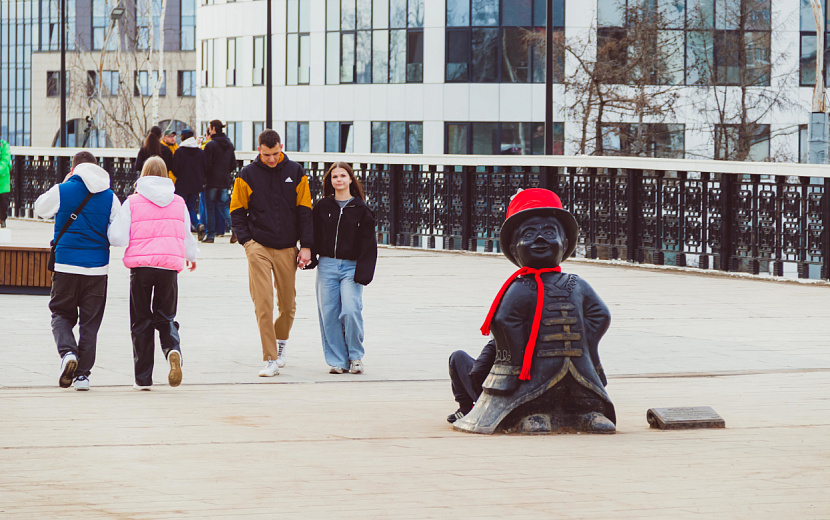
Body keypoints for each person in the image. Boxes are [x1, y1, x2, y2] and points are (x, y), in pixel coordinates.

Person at [108, 156, 199, 390]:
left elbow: (117, 237)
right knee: (165, 316)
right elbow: (186, 233)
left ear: (144, 174)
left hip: (141, 269)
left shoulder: (132, 201)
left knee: (140, 320)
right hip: (169, 268)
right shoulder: (178, 202)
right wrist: (191, 256)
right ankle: (172, 350)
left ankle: (143, 378)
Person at [34, 151, 121, 391]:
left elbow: (40, 208)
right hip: (97, 269)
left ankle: (68, 353)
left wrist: (63, 183)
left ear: (74, 168)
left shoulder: (63, 189)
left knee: (61, 314)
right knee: (90, 324)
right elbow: (119, 235)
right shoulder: (111, 196)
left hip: (66, 266)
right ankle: (83, 376)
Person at [230, 129, 312, 377]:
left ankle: (281, 342)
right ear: (259, 151)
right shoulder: (247, 174)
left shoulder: (296, 172)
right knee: (263, 303)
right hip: (259, 247)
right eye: (267, 155)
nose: (272, 159)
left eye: (275, 153)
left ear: (281, 147)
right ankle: (270, 359)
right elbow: (236, 211)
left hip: (287, 246)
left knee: (287, 305)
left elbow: (305, 211)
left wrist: (306, 246)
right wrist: (247, 243)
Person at [308, 162, 377, 374]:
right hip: (327, 265)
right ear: (330, 181)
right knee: (329, 313)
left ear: (350, 179)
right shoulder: (322, 207)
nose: (339, 180)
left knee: (350, 309)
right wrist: (309, 255)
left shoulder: (361, 209)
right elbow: (313, 234)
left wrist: (364, 272)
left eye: (342, 176)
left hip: (351, 268)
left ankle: (355, 356)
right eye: (334, 177)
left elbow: (369, 244)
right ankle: (338, 360)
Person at [447, 339, 496, 423]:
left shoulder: (497, 343)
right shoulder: (525, 339)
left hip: (491, 398)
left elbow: (478, 371)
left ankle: (465, 408)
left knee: (458, 356)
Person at [203, 119, 236, 243]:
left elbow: (206, 164)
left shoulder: (210, 145)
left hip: (211, 181)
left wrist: (205, 177)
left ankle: (210, 235)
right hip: (224, 180)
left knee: (210, 207)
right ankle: (235, 229)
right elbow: (233, 164)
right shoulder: (229, 144)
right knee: (224, 207)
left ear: (213, 129)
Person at [171, 129, 206, 232]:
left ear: (183, 137)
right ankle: (197, 223)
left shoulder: (179, 152)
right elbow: (204, 167)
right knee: (191, 206)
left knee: (181, 207)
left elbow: (175, 169)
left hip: (182, 184)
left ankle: (184, 228)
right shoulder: (200, 152)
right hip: (196, 185)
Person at [0, 138, 10, 228]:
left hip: (3, 178)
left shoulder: (4, 145)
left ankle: (3, 219)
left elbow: (5, 160)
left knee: (3, 201)